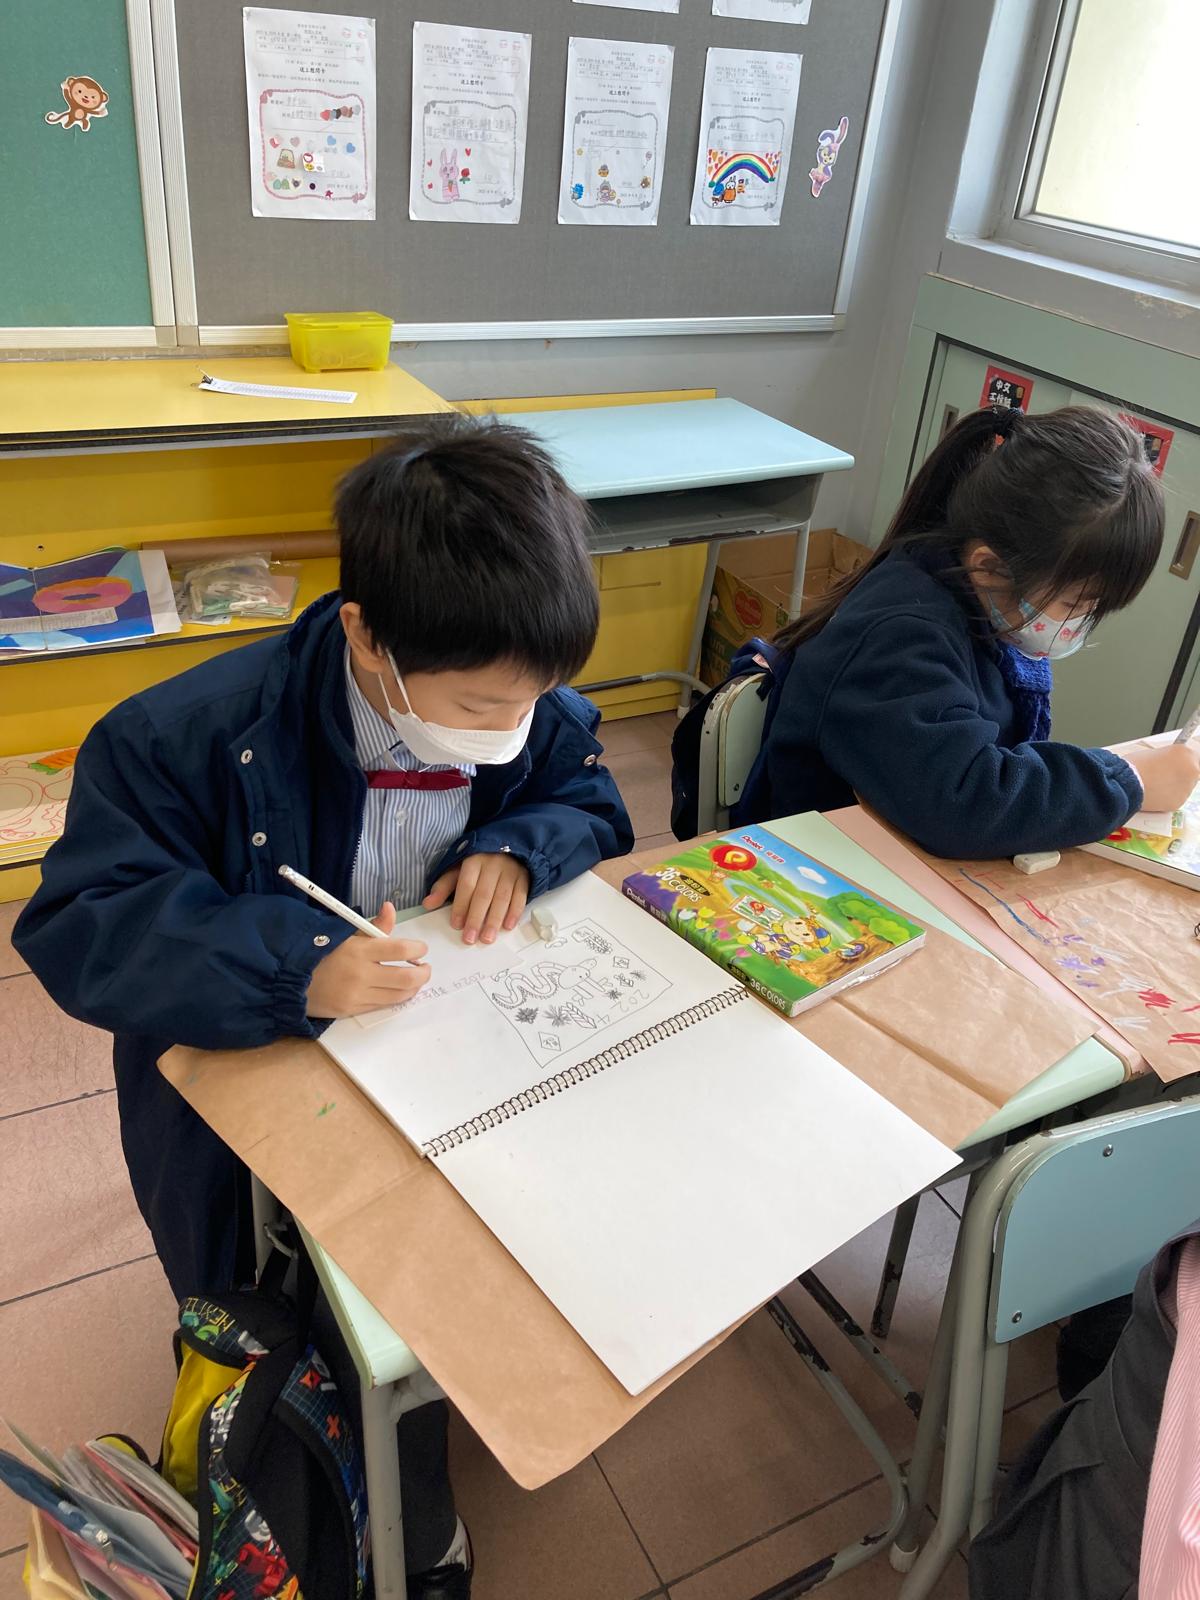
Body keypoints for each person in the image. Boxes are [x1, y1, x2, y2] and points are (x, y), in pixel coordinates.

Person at [14, 415, 634, 1599]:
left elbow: (590, 798)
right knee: (301, 1314)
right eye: (479, 704)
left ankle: (428, 1423)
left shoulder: (513, 687)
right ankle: (363, 1498)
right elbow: (81, 924)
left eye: (534, 699)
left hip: (440, 1058)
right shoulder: (182, 737)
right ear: (364, 632)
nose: (510, 727)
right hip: (251, 1087)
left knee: (469, 1265)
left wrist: (518, 840)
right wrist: (295, 964)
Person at [727, 405, 1198, 858]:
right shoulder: (900, 637)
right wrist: (1128, 780)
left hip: (896, 853)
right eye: (1075, 604)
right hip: (816, 869)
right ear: (989, 567)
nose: (1078, 622)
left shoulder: (978, 603)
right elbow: (965, 800)